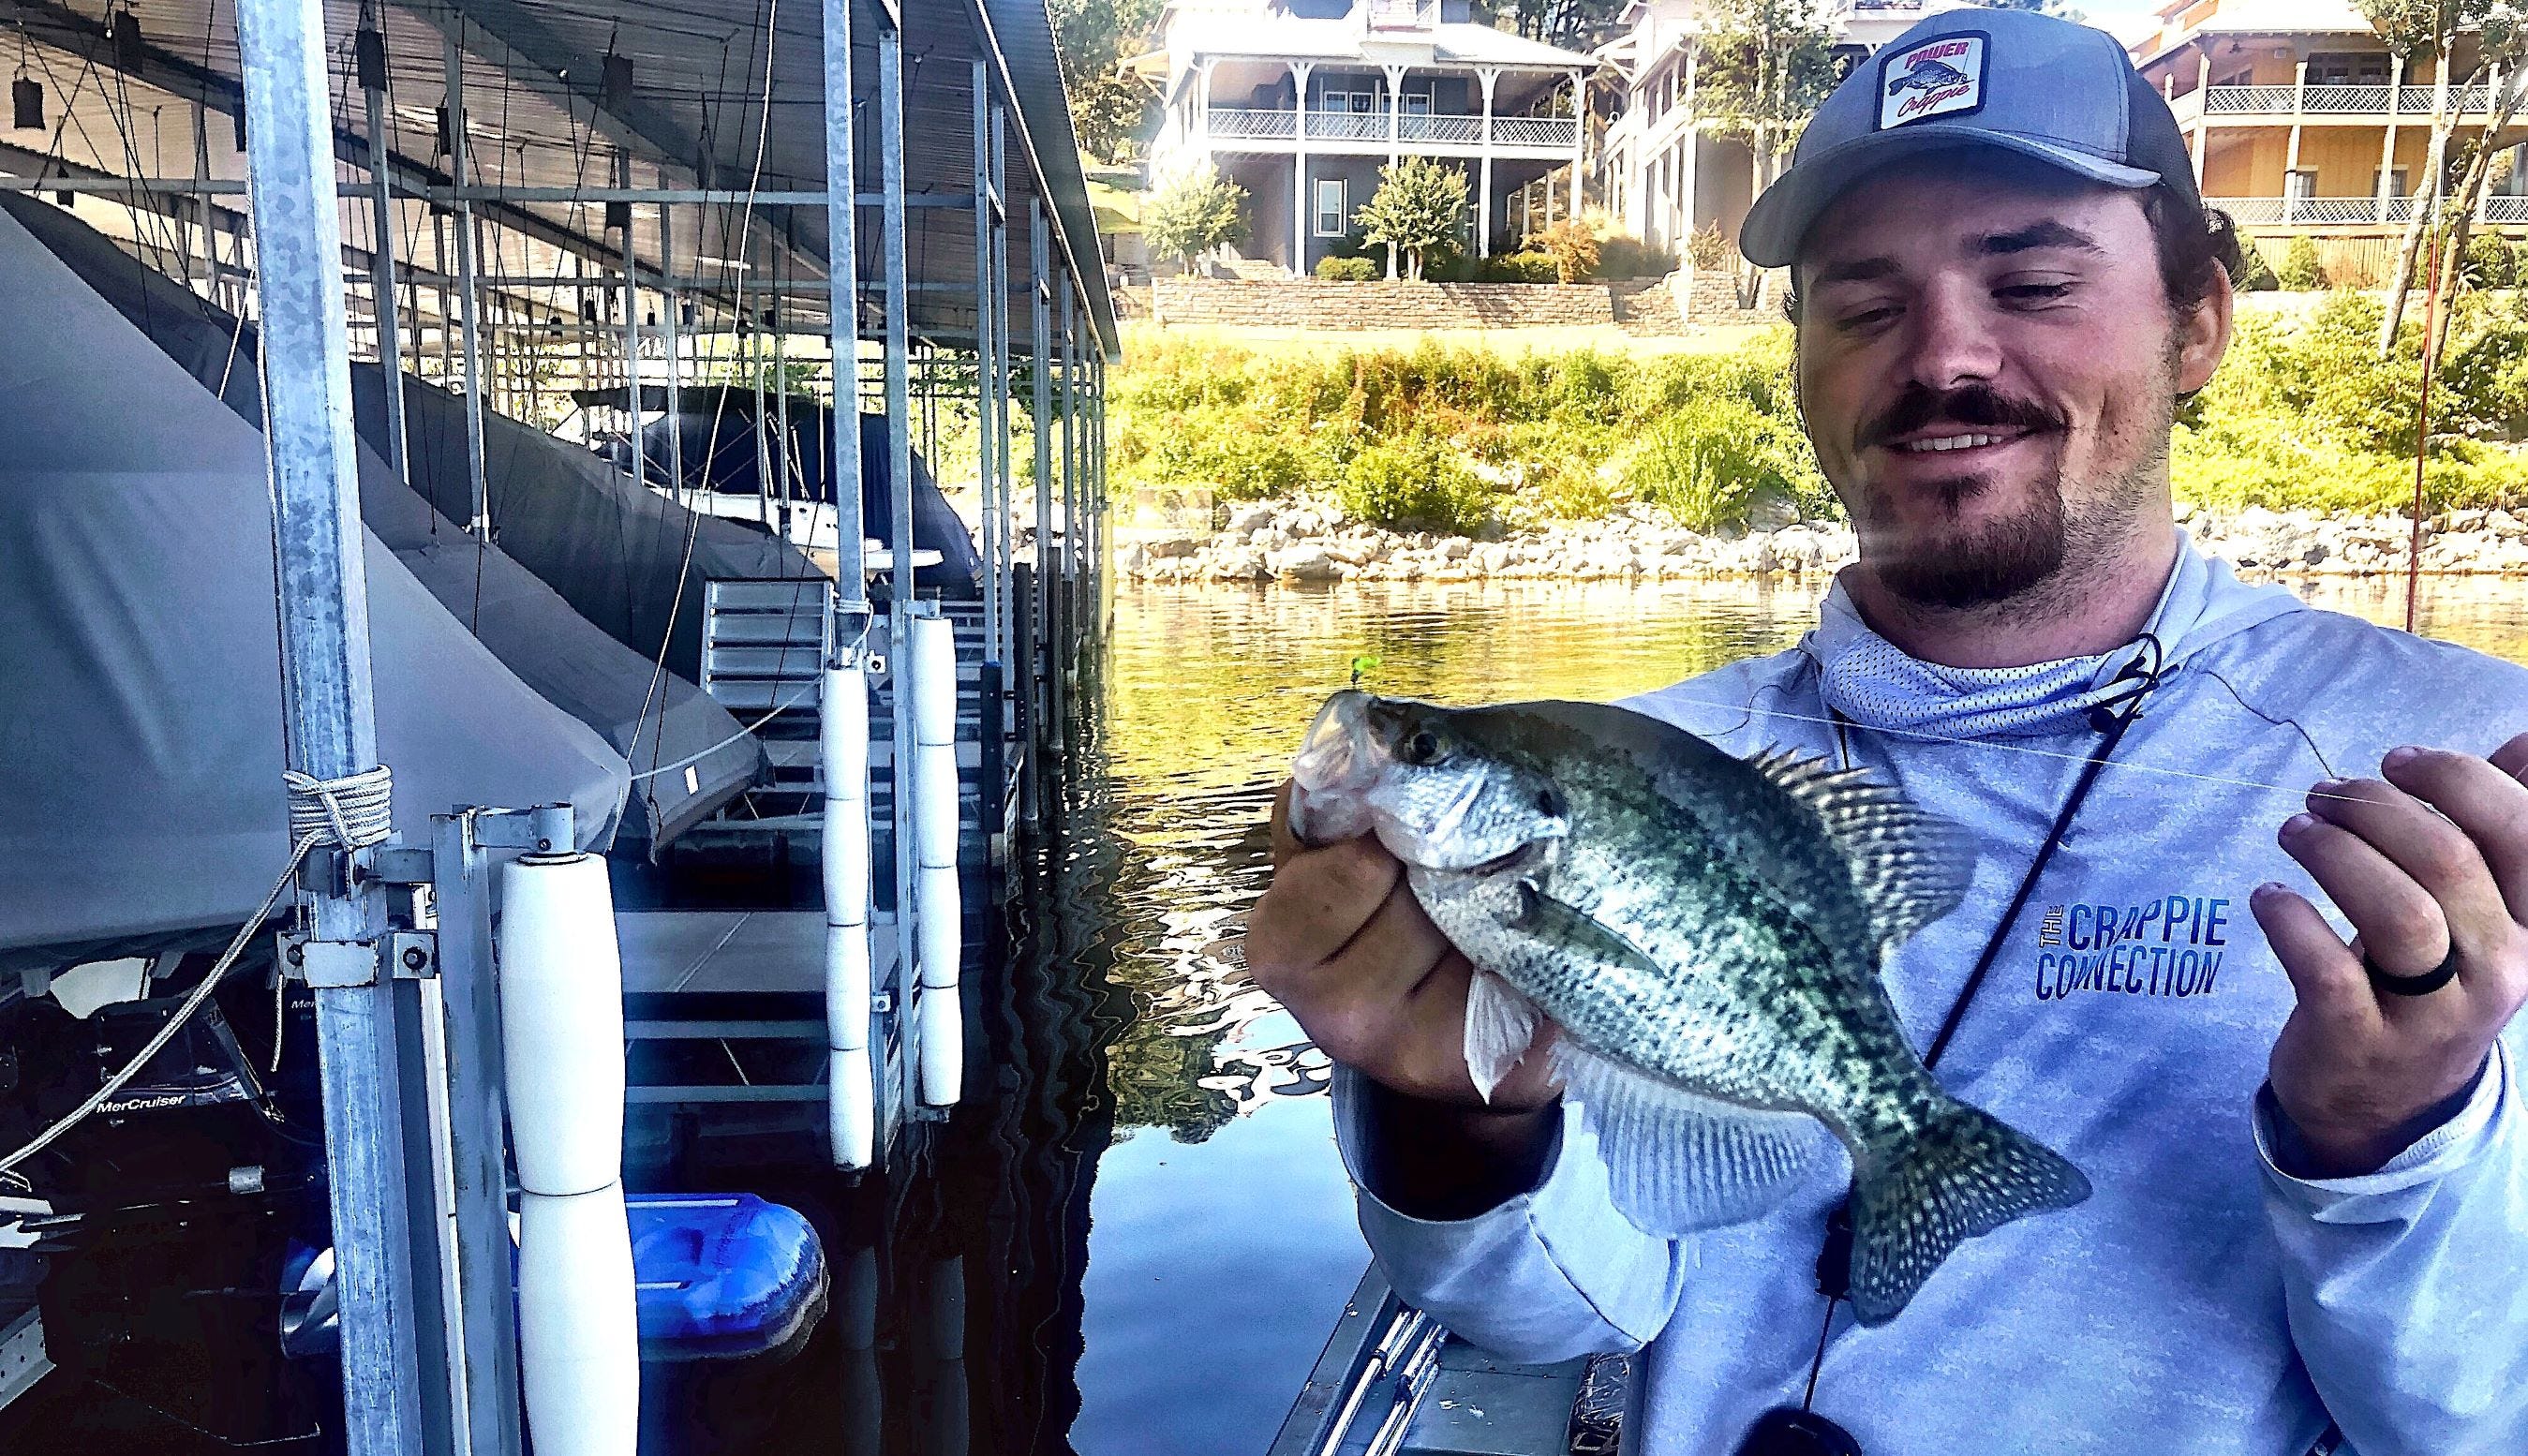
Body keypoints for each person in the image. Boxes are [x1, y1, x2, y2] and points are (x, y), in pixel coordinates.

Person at [1244, 11, 2528, 1456]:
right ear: (1799, 366)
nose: (1944, 356)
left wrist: (2380, 1141)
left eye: (2034, 281)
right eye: (1862, 305)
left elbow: (2473, 1420)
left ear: (2198, 329)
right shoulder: (1656, 758)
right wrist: (1448, 1118)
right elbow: (1564, 1314)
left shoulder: (2473, 785)